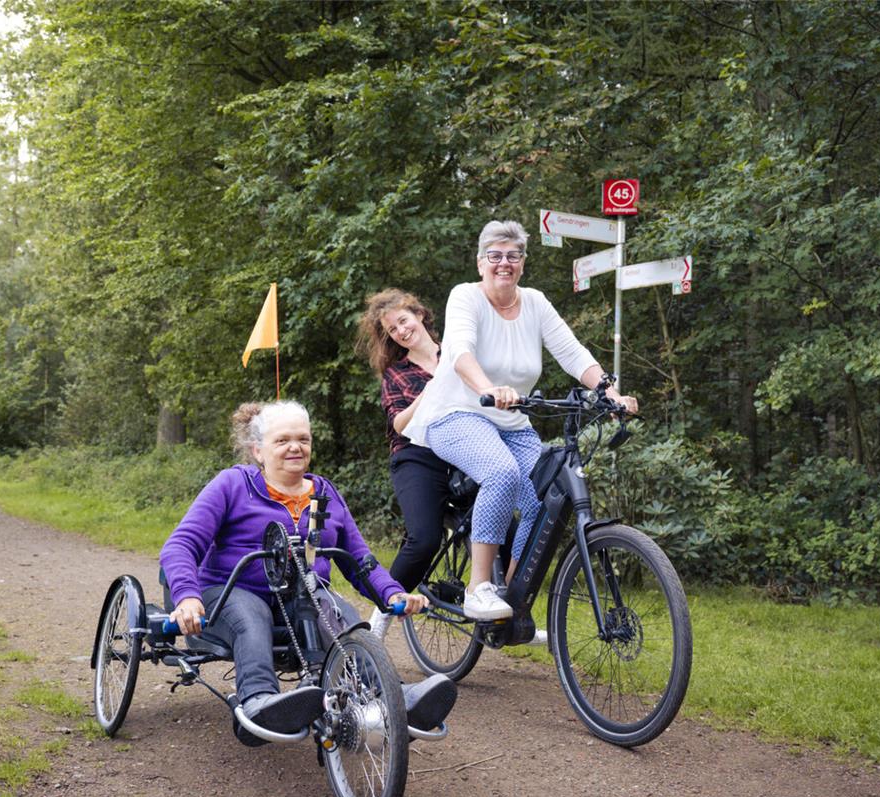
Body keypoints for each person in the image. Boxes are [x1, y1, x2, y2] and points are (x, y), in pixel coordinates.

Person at [160, 400, 457, 744]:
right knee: (250, 616)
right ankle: (259, 701)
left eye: (303, 439)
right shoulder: (233, 484)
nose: (295, 447)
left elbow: (359, 559)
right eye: (282, 440)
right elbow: (180, 545)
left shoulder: (324, 492)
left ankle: (393, 696)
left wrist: (392, 593)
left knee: (338, 615)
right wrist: (187, 597)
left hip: (301, 595)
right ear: (258, 450)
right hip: (229, 591)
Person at [402, 220, 638, 622]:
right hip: (455, 414)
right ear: (481, 263)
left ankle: (511, 597)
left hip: (511, 422)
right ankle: (478, 587)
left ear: (523, 263)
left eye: (513, 255)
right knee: (502, 473)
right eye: (494, 255)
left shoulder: (535, 303)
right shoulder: (466, 297)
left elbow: (572, 352)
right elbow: (460, 352)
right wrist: (488, 387)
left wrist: (610, 393)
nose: (504, 263)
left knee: (546, 497)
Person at [356, 289, 450, 640]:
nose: (401, 331)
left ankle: (509, 613)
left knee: (505, 525)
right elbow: (399, 424)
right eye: (392, 329)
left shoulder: (457, 354)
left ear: (420, 314)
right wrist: (430, 391)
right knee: (424, 539)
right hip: (416, 456)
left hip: (462, 449)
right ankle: (383, 613)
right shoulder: (396, 374)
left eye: (403, 321)